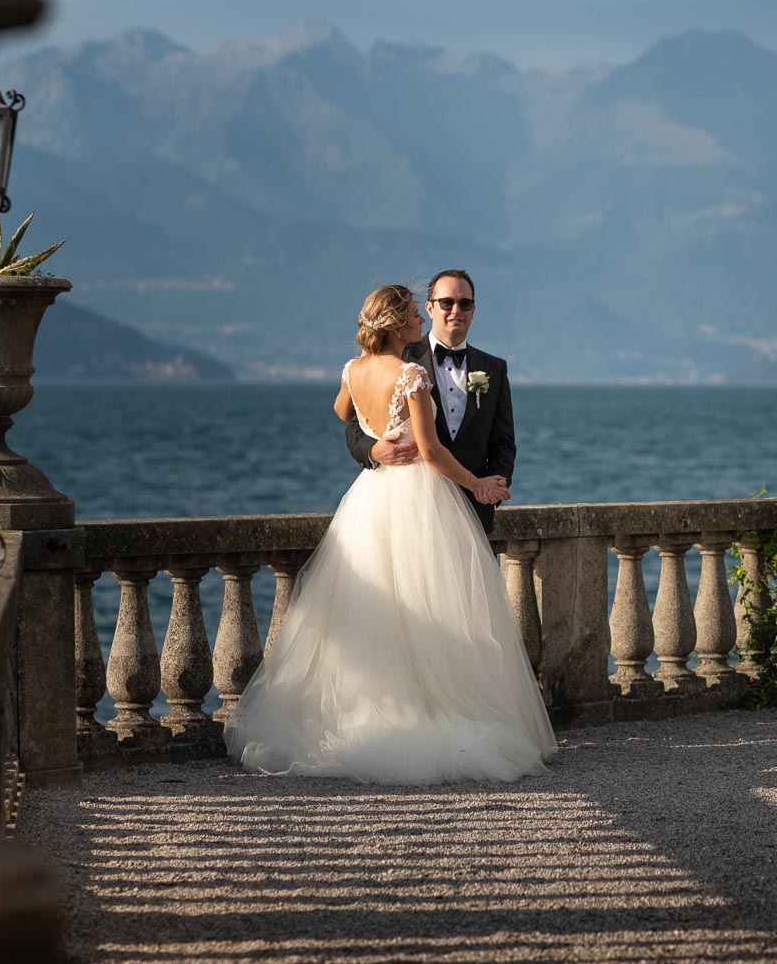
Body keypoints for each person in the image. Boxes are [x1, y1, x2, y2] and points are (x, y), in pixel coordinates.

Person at [223, 283, 557, 783]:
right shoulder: (411, 374)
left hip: (370, 502)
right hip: (419, 498)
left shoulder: (354, 369)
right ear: (400, 320)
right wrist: (477, 484)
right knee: (428, 605)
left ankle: (374, 714)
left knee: (377, 611)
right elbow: (433, 451)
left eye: (460, 304)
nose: (426, 322)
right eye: (416, 316)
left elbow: (342, 410)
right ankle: (426, 715)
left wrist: (376, 427)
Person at [345, 269, 514, 535]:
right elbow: (355, 424)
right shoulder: (399, 359)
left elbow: (502, 440)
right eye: (447, 303)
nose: (456, 310)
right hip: (412, 507)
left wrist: (493, 487)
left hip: (472, 509)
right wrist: (373, 451)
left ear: (474, 309)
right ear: (430, 308)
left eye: (465, 303)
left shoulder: (494, 367)